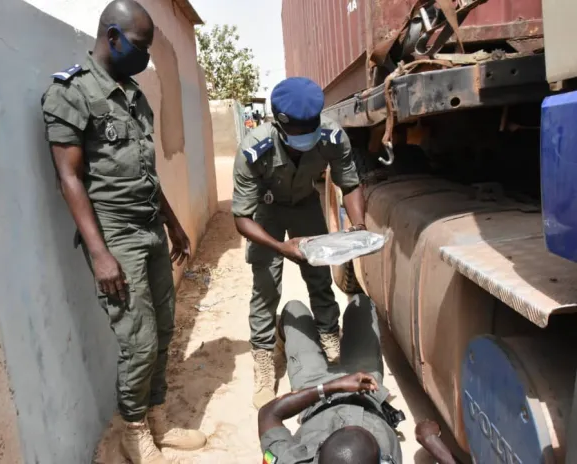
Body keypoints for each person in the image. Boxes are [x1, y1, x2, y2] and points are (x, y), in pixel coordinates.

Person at [40, 1, 206, 462]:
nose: (145, 57)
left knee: (165, 328)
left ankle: (156, 417)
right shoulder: (71, 93)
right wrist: (100, 254)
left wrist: (173, 224)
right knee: (139, 340)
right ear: (111, 36)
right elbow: (68, 178)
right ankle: (132, 432)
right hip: (116, 235)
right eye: (140, 45)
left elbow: (145, 173)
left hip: (150, 227)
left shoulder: (132, 93)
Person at [232, 76, 367, 408]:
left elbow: (349, 182)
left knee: (319, 275)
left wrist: (359, 225)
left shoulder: (332, 136)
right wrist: (281, 248)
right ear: (279, 125)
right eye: (298, 135)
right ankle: (264, 359)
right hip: (266, 211)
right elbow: (241, 218)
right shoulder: (255, 148)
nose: (307, 140)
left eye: (311, 131)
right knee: (266, 285)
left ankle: (328, 334)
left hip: (305, 204)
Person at [258, 295, 403, 463]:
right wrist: (431, 440)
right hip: (367, 391)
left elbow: (268, 414)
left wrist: (331, 387)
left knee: (294, 310)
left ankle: (289, 338)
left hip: (314, 393)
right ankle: (332, 336)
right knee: (362, 304)